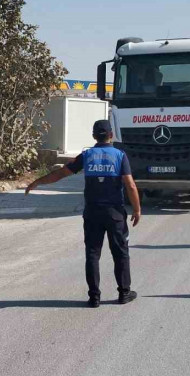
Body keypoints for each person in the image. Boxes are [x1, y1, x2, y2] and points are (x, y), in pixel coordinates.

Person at [26, 120, 140, 308]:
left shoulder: (86, 156)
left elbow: (61, 173)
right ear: (111, 135)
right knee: (120, 253)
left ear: (94, 136)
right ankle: (124, 293)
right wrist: (136, 209)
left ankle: (94, 297)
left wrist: (37, 182)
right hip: (115, 214)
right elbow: (130, 184)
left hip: (92, 212)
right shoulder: (120, 156)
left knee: (92, 254)